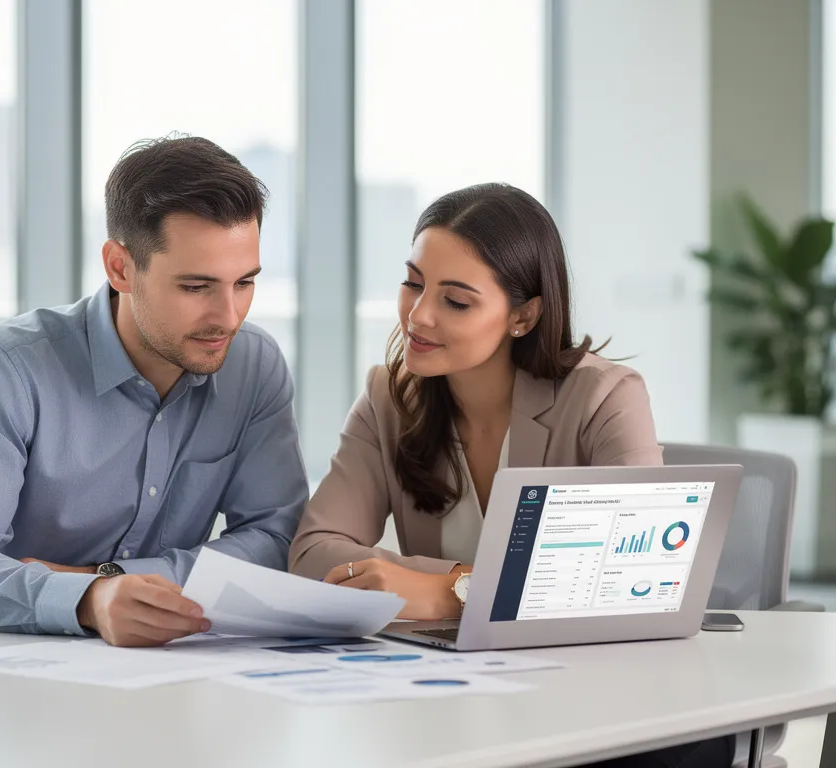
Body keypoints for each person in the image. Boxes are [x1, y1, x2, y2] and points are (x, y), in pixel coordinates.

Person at [288, 183, 733, 767]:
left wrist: (448, 594)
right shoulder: (388, 398)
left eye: (456, 300)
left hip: (600, 695)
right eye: (413, 283)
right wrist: (475, 584)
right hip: (453, 694)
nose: (418, 316)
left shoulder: (605, 398)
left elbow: (629, 585)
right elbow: (313, 553)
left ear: (522, 315)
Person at [0, 136, 309, 648]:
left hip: (131, 668)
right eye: (196, 287)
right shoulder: (5, 368)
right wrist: (88, 601)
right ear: (120, 268)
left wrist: (109, 576)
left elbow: (275, 541)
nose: (228, 318)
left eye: (245, 283)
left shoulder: (254, 366)